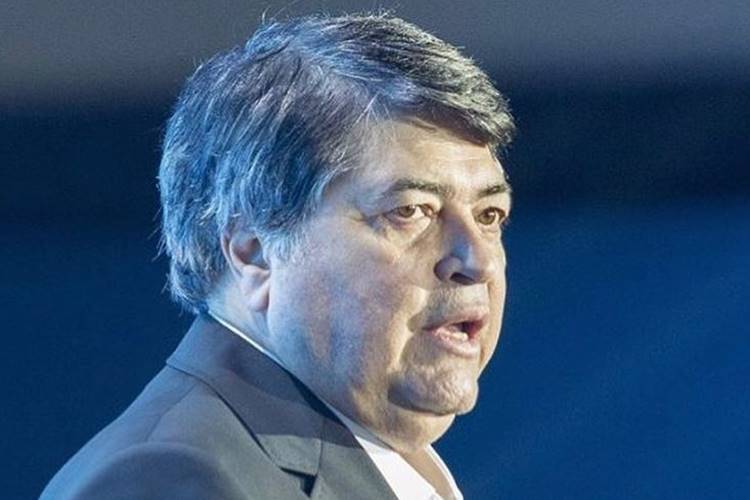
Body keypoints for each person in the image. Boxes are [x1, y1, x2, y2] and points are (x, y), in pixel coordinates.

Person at [41, 12, 515, 500]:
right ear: (255, 254)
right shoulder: (173, 479)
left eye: (489, 215)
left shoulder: (389, 459)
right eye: (410, 211)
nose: (478, 262)